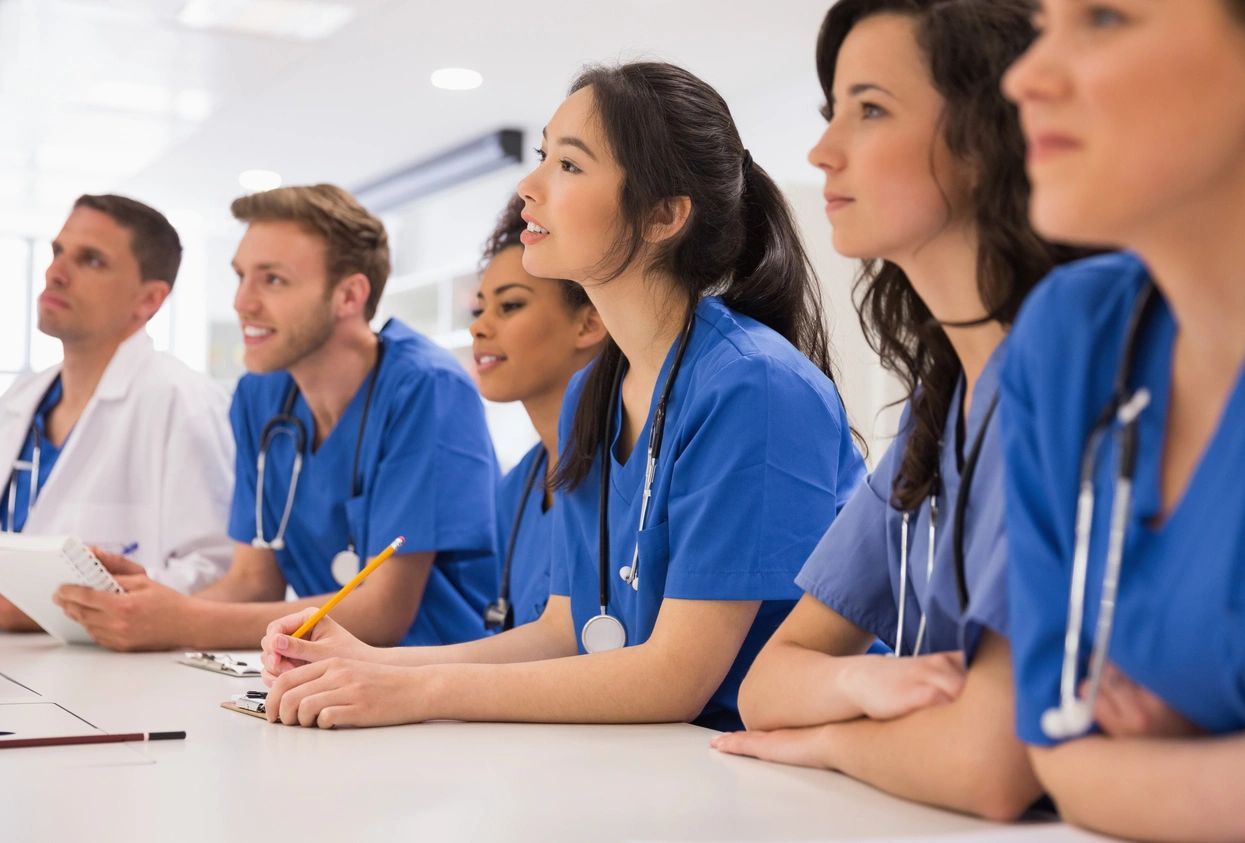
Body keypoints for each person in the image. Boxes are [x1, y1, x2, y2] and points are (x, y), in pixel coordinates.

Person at [257, 62, 866, 731]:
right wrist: (377, 663)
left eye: (569, 166)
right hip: (647, 758)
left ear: (663, 215)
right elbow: (561, 629)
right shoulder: (591, 394)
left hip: (771, 775)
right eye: (543, 156)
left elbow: (675, 678)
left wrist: (420, 690)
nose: (528, 184)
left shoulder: (753, 385)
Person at [712, 0, 1072, 820]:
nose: (820, 151)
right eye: (830, 111)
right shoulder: (934, 412)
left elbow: (987, 764)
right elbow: (770, 681)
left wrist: (831, 738)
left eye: (869, 110)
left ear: (988, 141)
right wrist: (863, 679)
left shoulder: (1062, 384)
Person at [996, 1, 1245, 839]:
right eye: (1040, 22)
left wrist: (1170, 763)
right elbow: (1063, 756)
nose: (1023, 77)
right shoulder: (1073, 338)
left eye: (1103, 18)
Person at [54, 185, 498, 651]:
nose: (242, 302)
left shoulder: (426, 388)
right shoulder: (261, 395)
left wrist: (183, 622)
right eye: (241, 276)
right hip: (327, 678)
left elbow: (383, 612)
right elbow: (251, 582)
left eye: (273, 280)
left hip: (438, 685)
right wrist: (144, 609)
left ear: (348, 295)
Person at [0, 194, 232, 631]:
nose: (56, 273)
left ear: (148, 300)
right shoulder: (21, 398)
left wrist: (41, 603)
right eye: (57, 252)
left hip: (113, 680)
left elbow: (217, 573)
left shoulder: (182, 400)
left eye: (91, 260)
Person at [472, 195, 606, 632]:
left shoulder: (624, 470)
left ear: (589, 323)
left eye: (509, 305)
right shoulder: (515, 490)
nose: (479, 326)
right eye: (479, 308)